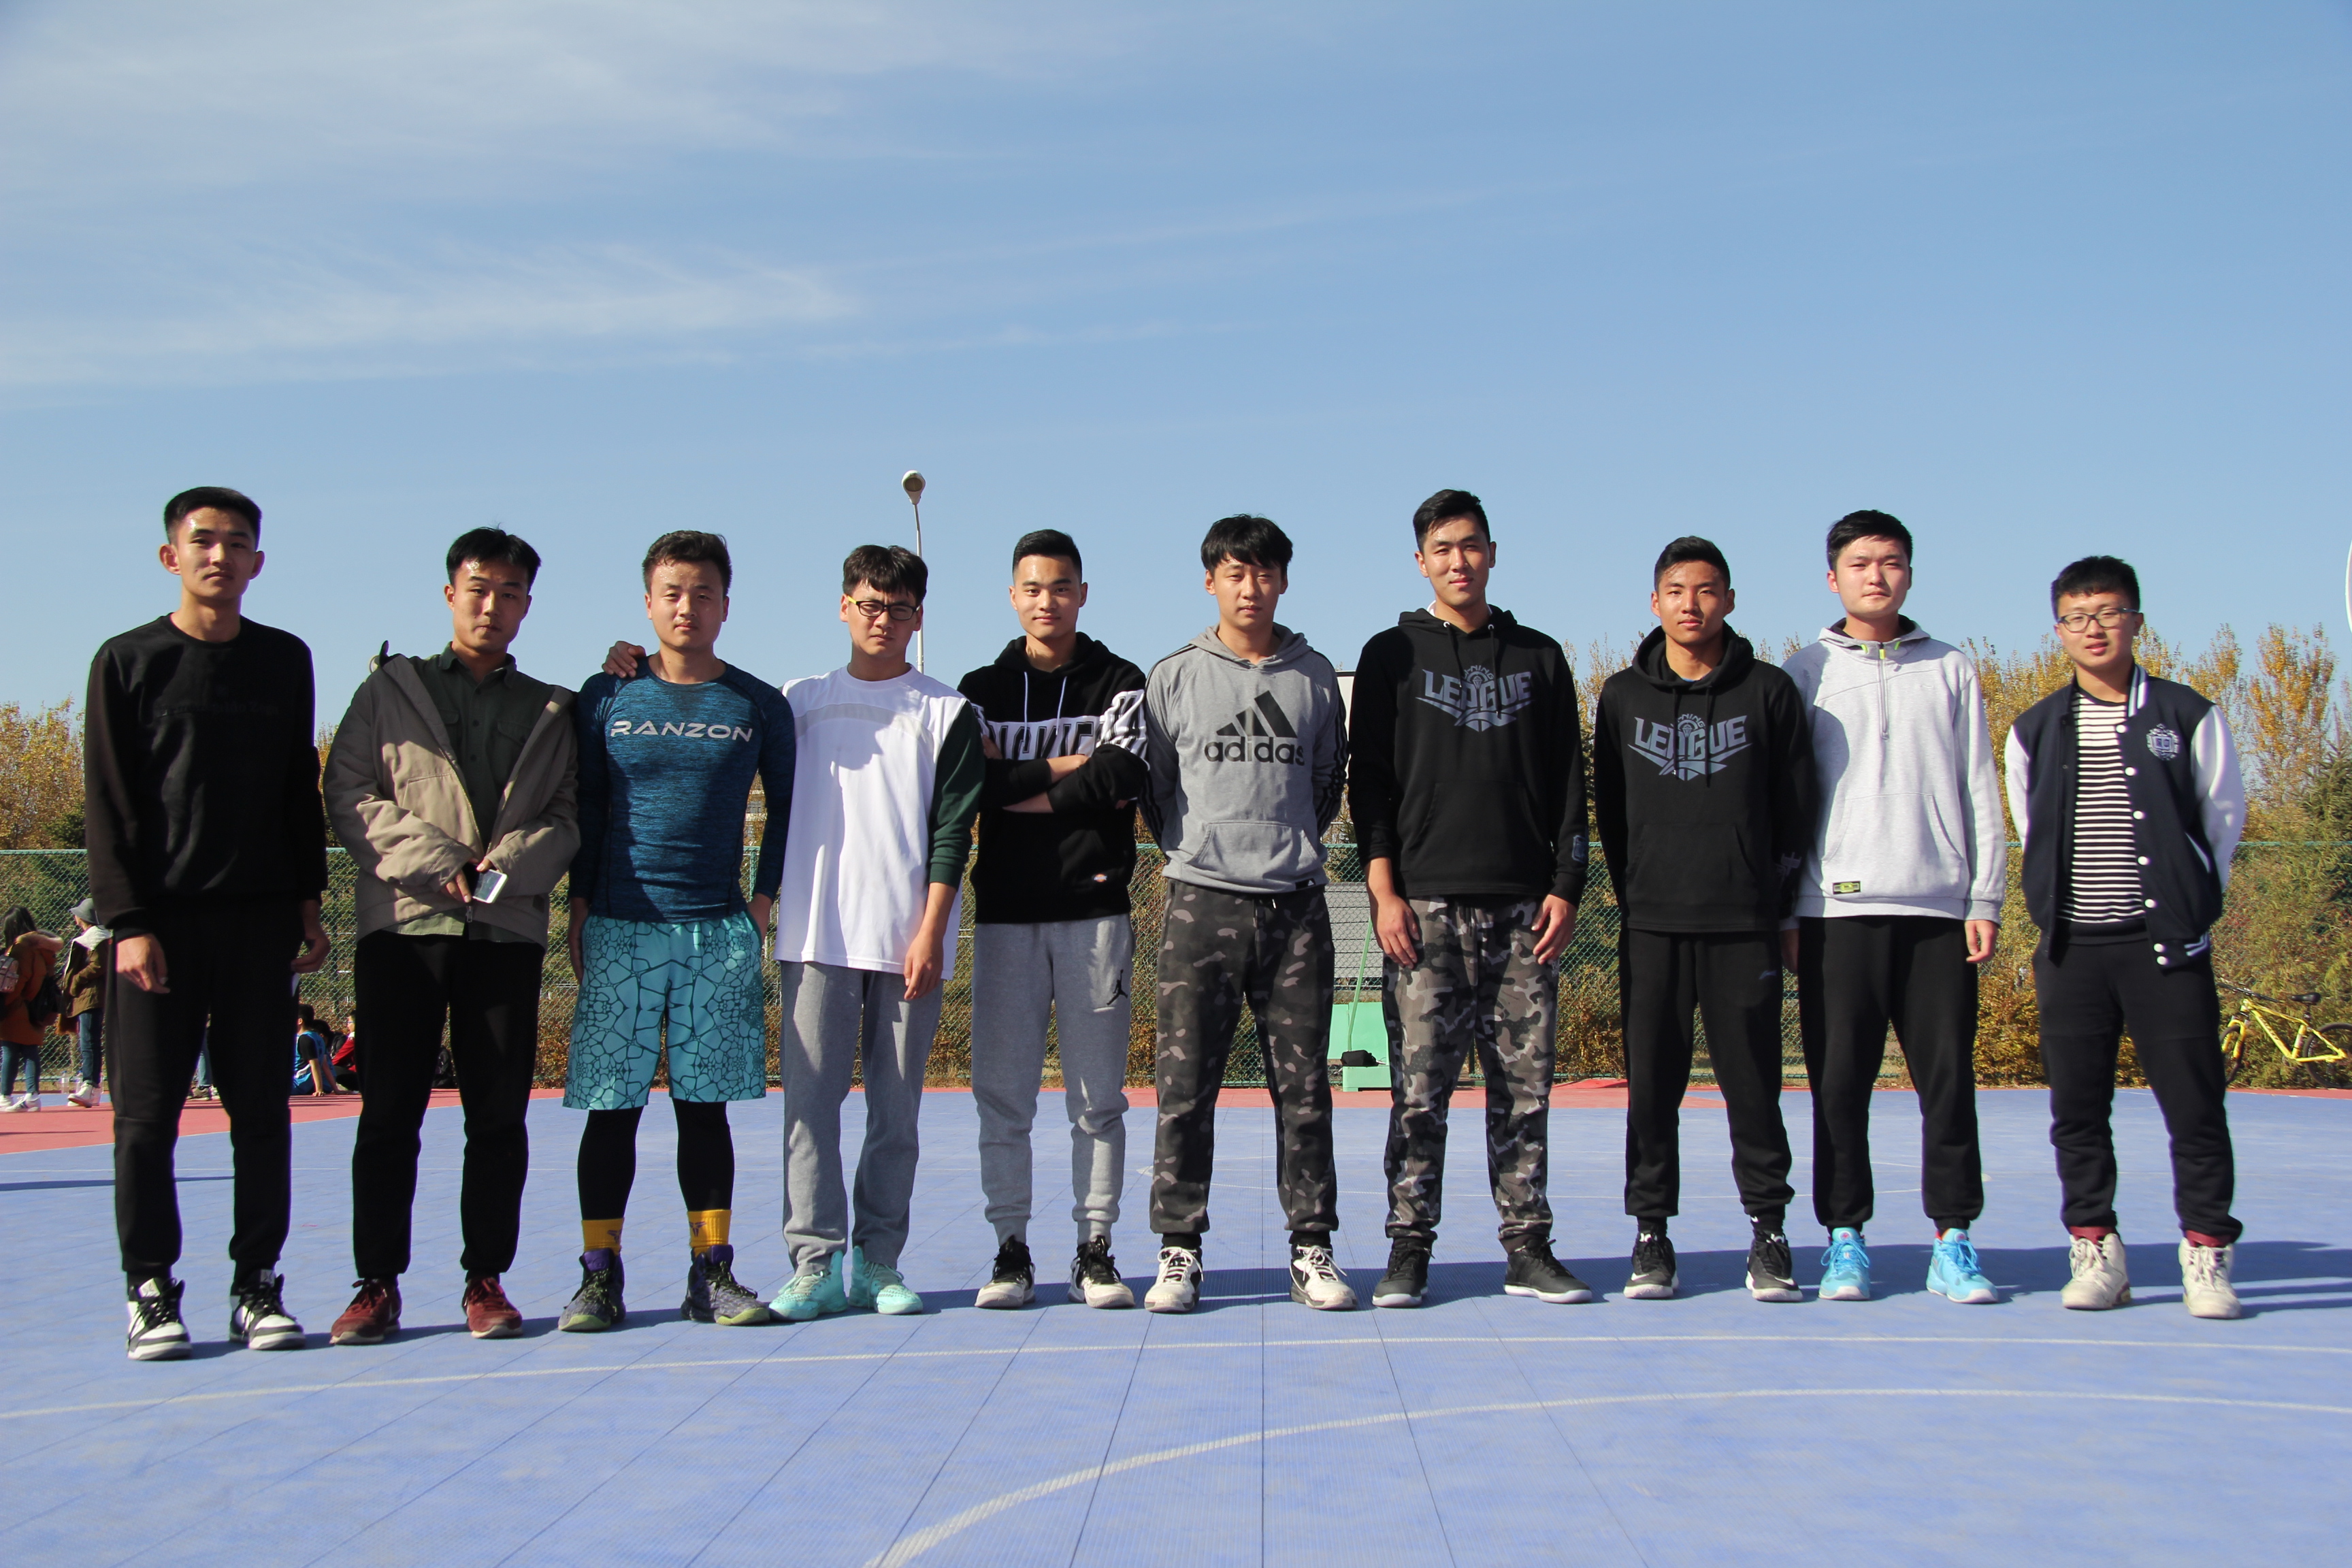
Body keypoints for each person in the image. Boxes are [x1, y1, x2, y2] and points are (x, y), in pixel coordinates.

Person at [85, 485, 331, 1360]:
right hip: (160, 928)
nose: (219, 556)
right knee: (146, 1119)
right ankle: (149, 1288)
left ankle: (256, 1284)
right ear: (171, 557)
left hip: (260, 924)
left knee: (261, 1114)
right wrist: (129, 922)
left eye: (236, 543)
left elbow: (299, 791)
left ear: (258, 562)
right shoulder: (127, 661)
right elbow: (109, 801)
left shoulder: (285, 659)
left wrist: (309, 902)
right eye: (202, 541)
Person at [321, 527, 580, 1344]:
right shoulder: (387, 691)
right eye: (478, 589)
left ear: (528, 606)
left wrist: (506, 868)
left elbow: (569, 814)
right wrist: (441, 863)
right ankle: (376, 1284)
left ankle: (486, 1279)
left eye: (510, 593)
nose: (492, 605)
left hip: (504, 931)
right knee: (388, 1113)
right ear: (449, 595)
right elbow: (349, 791)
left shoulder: (553, 707)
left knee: (497, 1118)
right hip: (403, 925)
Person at [1348, 489, 1592, 1310]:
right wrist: (1384, 890)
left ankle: (1528, 1247)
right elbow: (1369, 783)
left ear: (1492, 552)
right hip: (1425, 912)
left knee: (1524, 1093)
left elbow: (1570, 782)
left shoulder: (1538, 656)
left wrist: (1566, 885)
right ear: (1421, 561)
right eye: (1443, 548)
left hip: (1524, 911)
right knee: (1419, 1094)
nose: (1459, 560)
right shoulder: (1390, 654)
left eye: (1472, 545)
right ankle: (1409, 1249)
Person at [564, 531, 794, 1332]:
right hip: (619, 929)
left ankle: (712, 1273)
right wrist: (579, 906)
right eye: (672, 593)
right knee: (611, 1112)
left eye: (702, 593)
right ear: (648, 603)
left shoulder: (757, 705)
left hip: (715, 934)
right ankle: (599, 1276)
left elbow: (787, 810)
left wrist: (760, 903)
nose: (686, 607)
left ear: (726, 605)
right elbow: (586, 806)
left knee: (705, 1113)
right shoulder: (606, 694)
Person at [2005, 555, 2247, 1318]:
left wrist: (2188, 906)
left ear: (2136, 621)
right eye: (2077, 617)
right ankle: (2096, 1249)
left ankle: (2206, 1252)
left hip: (2165, 948)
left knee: (2194, 1107)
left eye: (2108, 613)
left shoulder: (2187, 715)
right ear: (2058, 630)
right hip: (2074, 951)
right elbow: (2032, 830)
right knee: (2078, 1112)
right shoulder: (2035, 728)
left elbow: (2222, 822)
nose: (2094, 629)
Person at [1783, 510, 2005, 1305]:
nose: (1876, 576)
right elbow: (1788, 801)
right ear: (1832, 577)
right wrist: (1789, 910)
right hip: (1835, 914)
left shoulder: (1951, 668)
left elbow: (1979, 785)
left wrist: (1985, 895)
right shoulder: (1804, 670)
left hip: (1939, 912)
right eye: (1861, 563)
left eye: (1892, 562)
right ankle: (1845, 1240)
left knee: (1948, 1085)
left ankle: (1954, 1241)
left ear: (1910, 573)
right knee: (1840, 1086)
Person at [1139, 514, 1353, 1313]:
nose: (1250, 587)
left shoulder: (1315, 676)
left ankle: (1312, 1249)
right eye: (1235, 572)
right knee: (1184, 1088)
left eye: (1264, 572)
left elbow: (1327, 784)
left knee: (1305, 1092)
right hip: (1200, 902)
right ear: (1211, 582)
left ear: (1283, 580)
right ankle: (1179, 1250)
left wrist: (1285, 847)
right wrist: (1200, 849)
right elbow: (1158, 786)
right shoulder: (1175, 676)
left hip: (1295, 907)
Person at [1592, 536, 1814, 1303]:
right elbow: (1612, 810)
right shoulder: (1623, 697)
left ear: (1730, 599)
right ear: (1655, 603)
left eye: (1707, 590)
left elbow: (1794, 805)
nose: (1692, 604)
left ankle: (1770, 1231)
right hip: (1653, 926)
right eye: (1678, 591)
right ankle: (1651, 1235)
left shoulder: (1769, 691)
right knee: (1652, 1090)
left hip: (1744, 925)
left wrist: (1773, 900)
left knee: (1754, 1088)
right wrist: (1639, 892)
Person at [766, 544, 983, 1321]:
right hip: (814, 937)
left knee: (896, 1115)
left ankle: (879, 1263)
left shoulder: (947, 711)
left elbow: (953, 832)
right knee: (809, 1110)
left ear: (918, 618)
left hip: (907, 944)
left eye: (897, 608)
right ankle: (814, 1265)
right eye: (868, 604)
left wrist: (931, 930)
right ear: (843, 607)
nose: (882, 619)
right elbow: (713, 702)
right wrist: (630, 664)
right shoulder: (797, 702)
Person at [958, 530, 1149, 1310]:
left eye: (1061, 587)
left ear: (1082, 594)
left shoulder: (1120, 680)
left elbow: (1122, 774)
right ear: (1013, 596)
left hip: (1094, 913)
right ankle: (1010, 1251)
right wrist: (1069, 770)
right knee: (1003, 1097)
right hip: (1006, 916)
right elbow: (975, 785)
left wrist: (1020, 786)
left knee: (1097, 1099)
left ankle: (1094, 1251)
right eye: (1033, 588)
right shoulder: (980, 688)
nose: (1047, 601)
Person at [0, 906, 63, 1112]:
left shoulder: (21, 947)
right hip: (40, 1007)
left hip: (19, 1007)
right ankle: (32, 1095)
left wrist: (7, 1002)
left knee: (9, 1049)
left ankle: (5, 1096)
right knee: (30, 1050)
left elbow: (20, 979)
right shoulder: (44, 948)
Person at [61, 899, 110, 1108]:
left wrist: (76, 980)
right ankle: (92, 1086)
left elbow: (99, 965)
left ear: (83, 918)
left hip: (91, 996)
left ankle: (90, 1084)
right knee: (87, 1042)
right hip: (87, 996)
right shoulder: (95, 937)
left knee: (89, 1042)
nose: (75, 917)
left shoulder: (97, 938)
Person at [293, 1004, 336, 1096]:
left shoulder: (304, 1039)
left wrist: (319, 1089)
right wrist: (336, 1089)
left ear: (300, 1021)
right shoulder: (318, 1037)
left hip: (298, 1084)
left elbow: (314, 1064)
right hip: (306, 1084)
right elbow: (325, 1065)